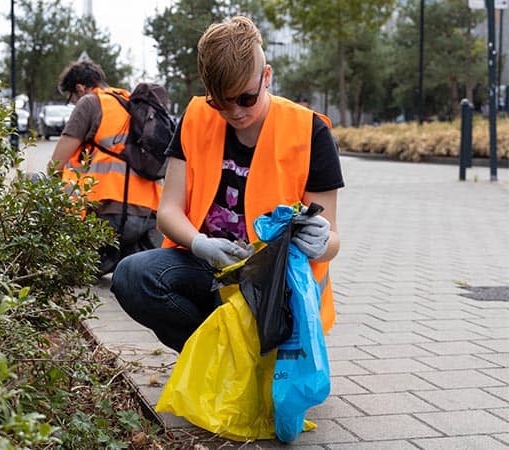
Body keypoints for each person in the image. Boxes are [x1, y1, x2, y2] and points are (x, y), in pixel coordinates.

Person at [111, 16, 344, 352]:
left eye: (246, 98)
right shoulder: (195, 118)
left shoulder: (309, 132)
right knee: (133, 276)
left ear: (267, 77)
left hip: (276, 287)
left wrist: (320, 241)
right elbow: (169, 211)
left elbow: (332, 240)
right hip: (211, 268)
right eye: (221, 101)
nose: (235, 112)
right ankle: (218, 358)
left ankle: (250, 359)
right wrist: (200, 243)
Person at [48, 60, 163, 275]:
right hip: (148, 216)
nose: (74, 104)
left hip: (108, 215)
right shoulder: (131, 102)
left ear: (80, 88)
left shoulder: (90, 103)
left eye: (71, 99)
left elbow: (56, 163)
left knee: (39, 183)